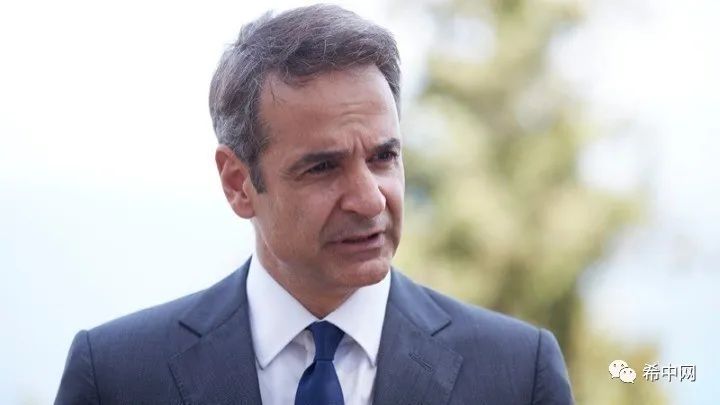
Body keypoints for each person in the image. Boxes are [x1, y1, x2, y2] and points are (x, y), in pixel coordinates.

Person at [55, 4, 574, 404]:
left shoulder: (516, 372)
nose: (369, 199)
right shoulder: (117, 375)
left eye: (383, 157)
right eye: (323, 167)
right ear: (238, 184)